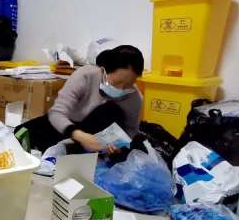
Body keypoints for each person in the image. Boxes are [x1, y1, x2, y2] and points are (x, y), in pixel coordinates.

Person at [15, 45, 145, 153]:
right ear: (104, 70)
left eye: (129, 84)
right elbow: (57, 113)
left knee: (111, 110)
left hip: (97, 136)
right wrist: (80, 136)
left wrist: (119, 146)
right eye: (117, 82)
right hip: (68, 126)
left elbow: (131, 131)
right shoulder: (86, 75)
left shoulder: (134, 98)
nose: (121, 88)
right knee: (20, 133)